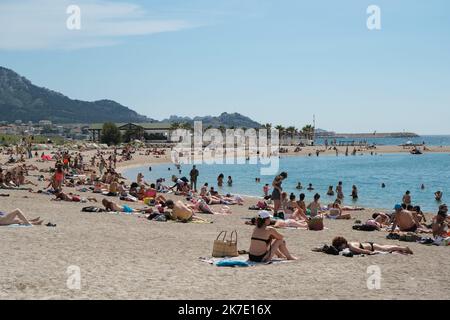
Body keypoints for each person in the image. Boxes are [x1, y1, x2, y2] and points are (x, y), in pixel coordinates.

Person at [332, 237, 413, 255]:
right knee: (385, 247)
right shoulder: (347, 246)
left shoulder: (351, 246)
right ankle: (398, 247)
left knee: (386, 249)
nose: (339, 248)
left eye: (340, 246)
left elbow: (363, 251)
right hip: (368, 244)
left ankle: (404, 248)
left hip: (372, 246)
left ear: (343, 243)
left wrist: (372, 253)